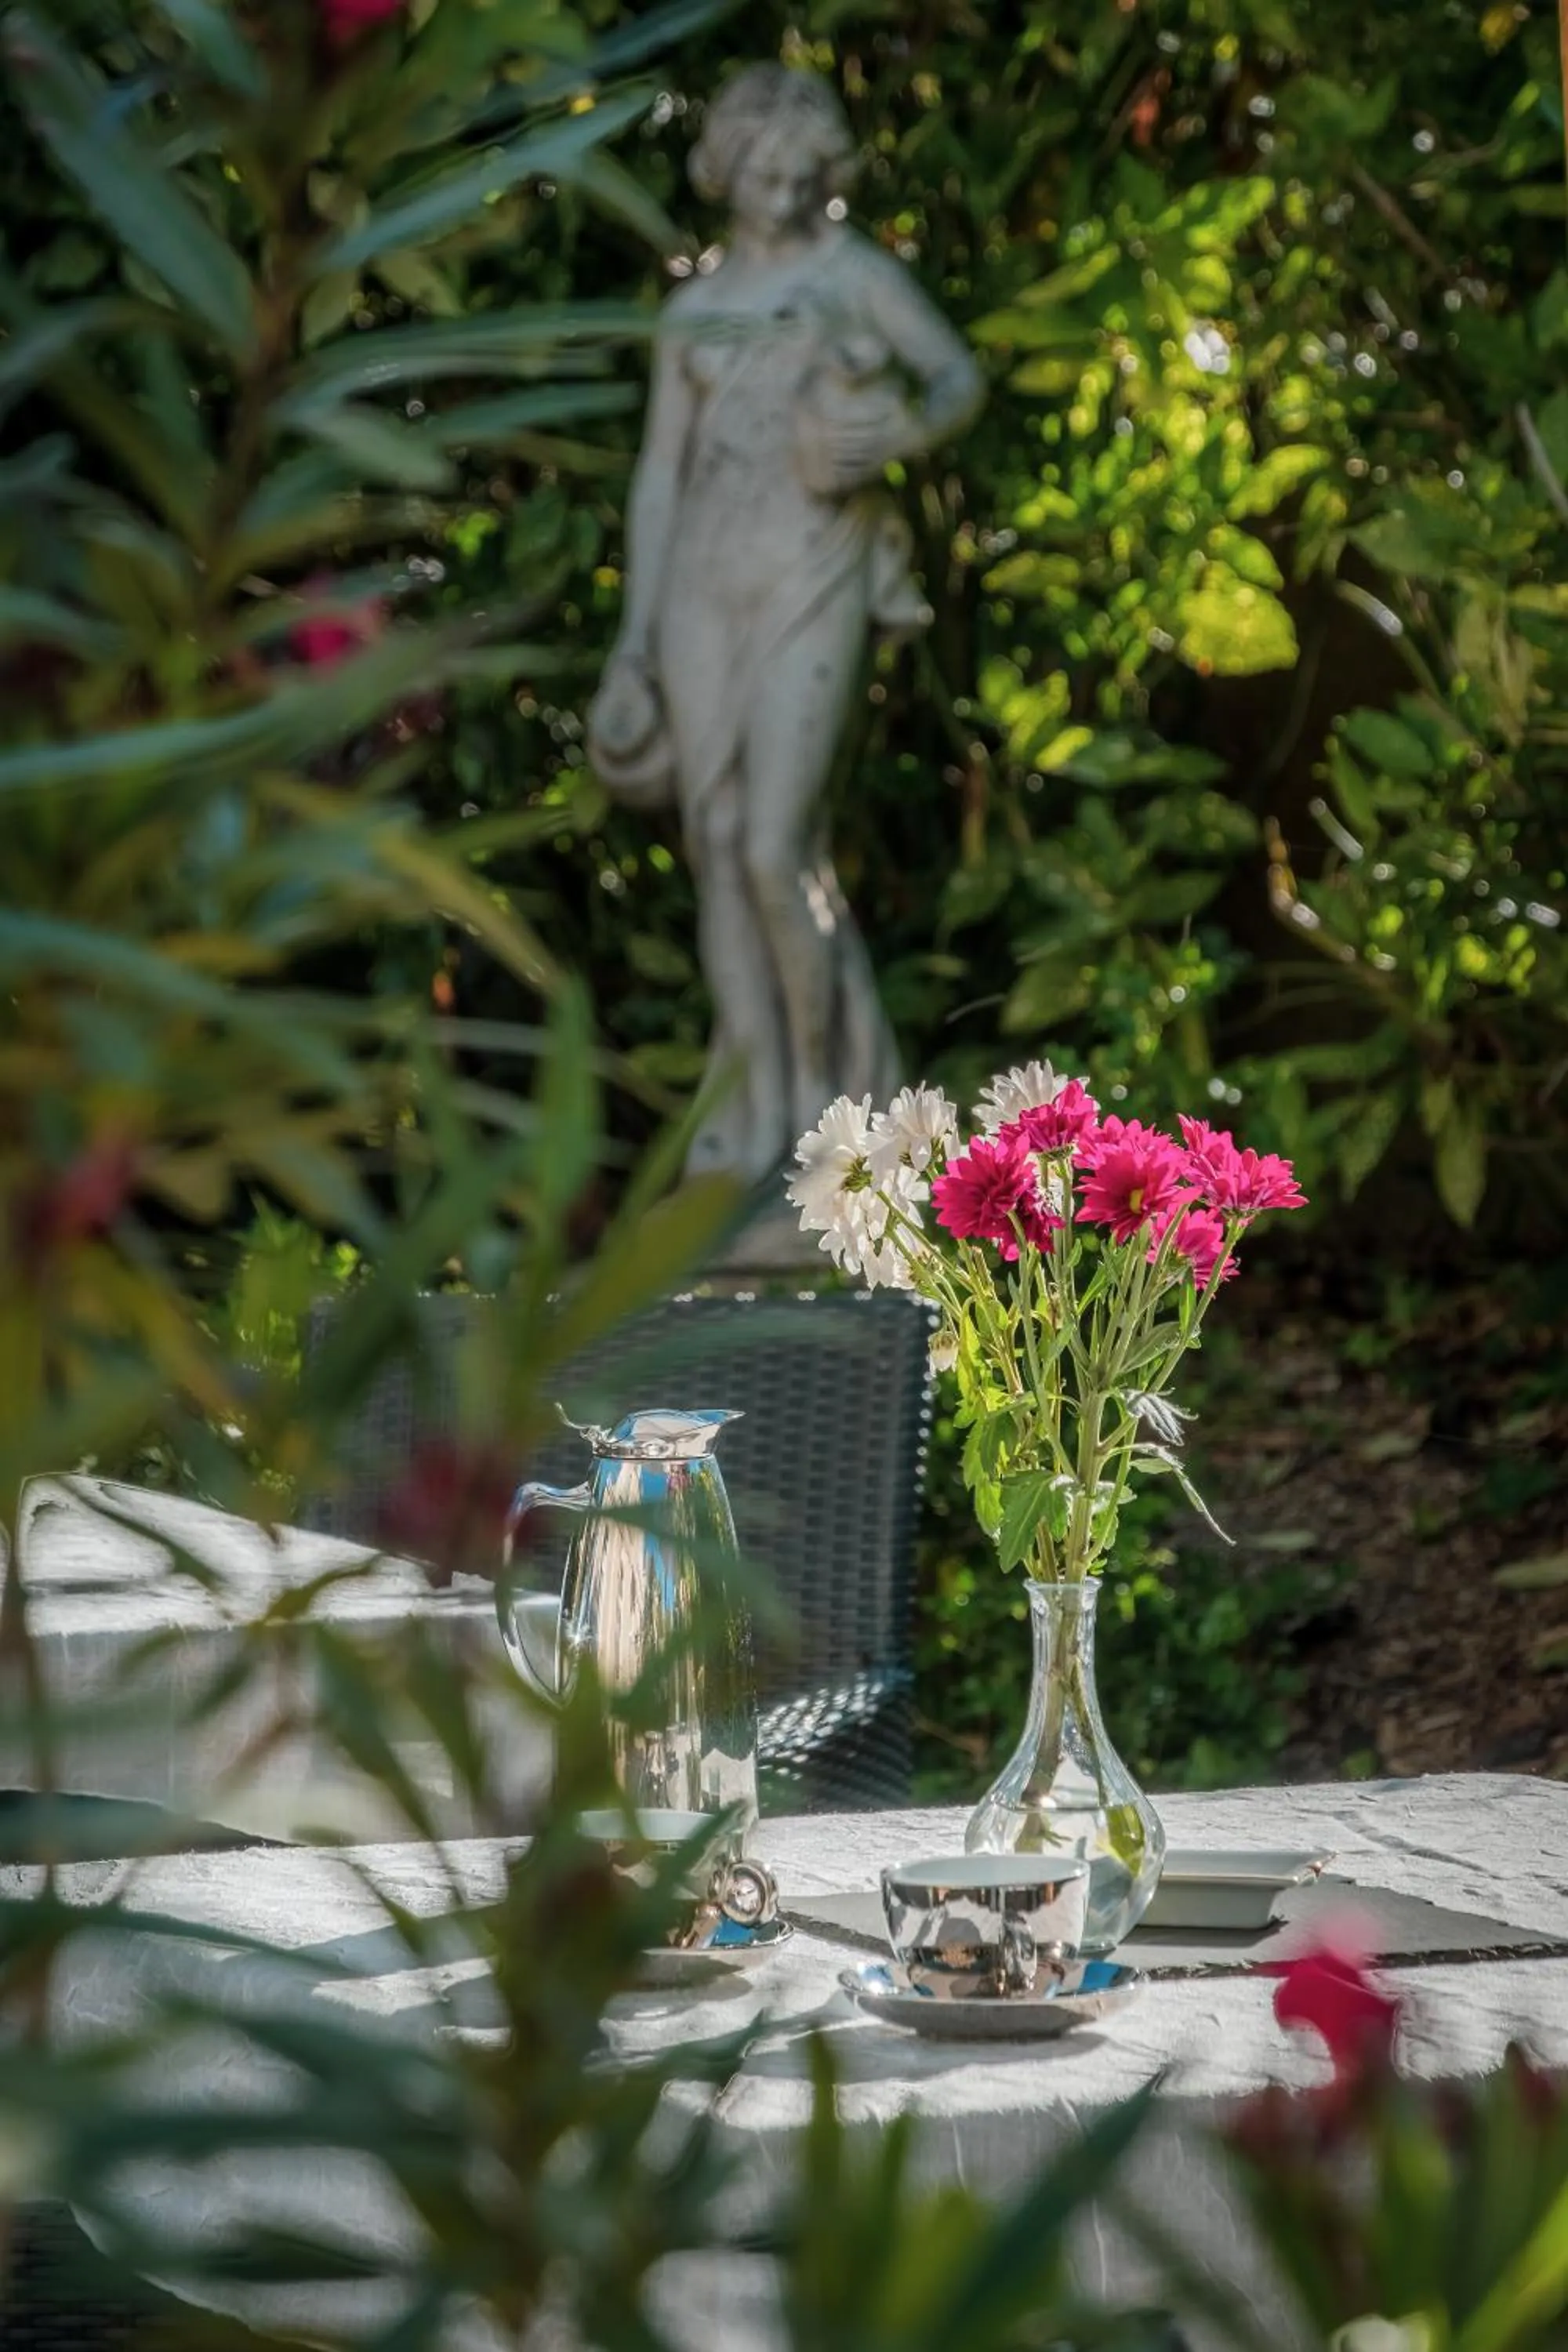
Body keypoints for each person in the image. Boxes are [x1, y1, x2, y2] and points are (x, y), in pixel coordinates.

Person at [590, 64, 985, 1186]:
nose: (774, 188)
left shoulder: (854, 278)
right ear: (725, 170)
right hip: (702, 585)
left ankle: (826, 1104)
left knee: (775, 845)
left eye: (793, 170)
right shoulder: (695, 310)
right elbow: (658, 481)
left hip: (813, 568)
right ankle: (753, 1106)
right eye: (755, 169)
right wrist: (632, 642)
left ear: (823, 174)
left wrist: (894, 437)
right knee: (715, 847)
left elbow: (955, 375)